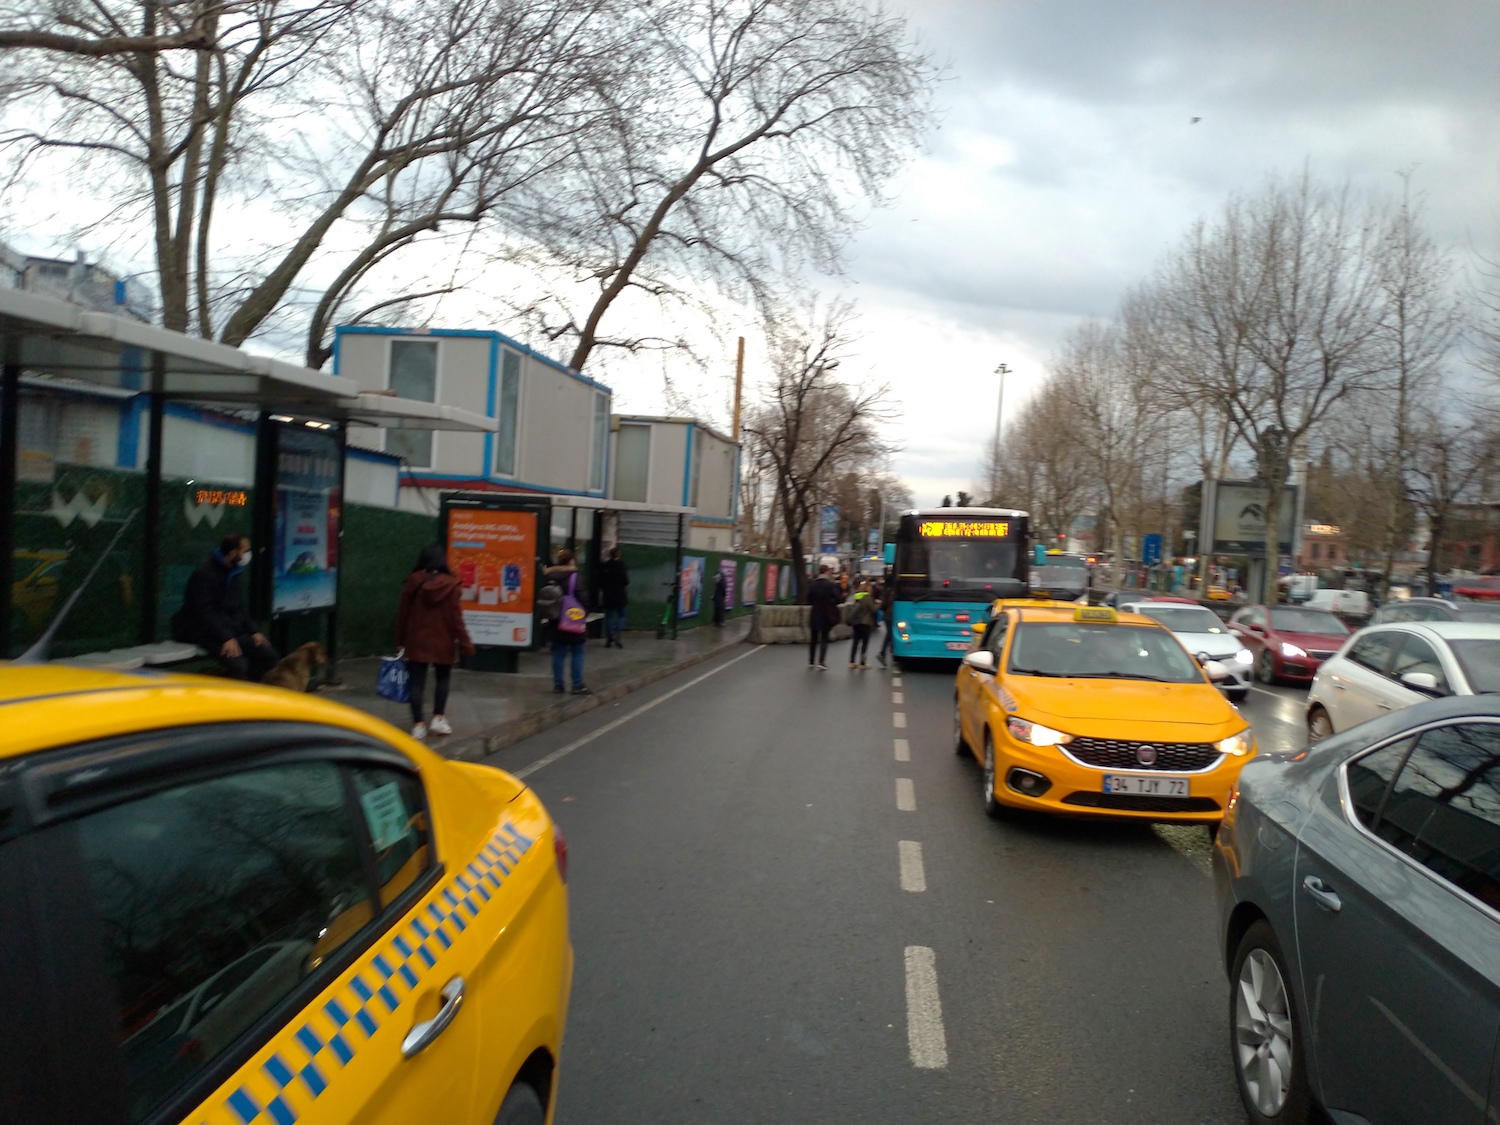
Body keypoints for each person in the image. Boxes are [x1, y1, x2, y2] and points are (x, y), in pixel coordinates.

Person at [172, 534, 279, 680]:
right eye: (245, 551)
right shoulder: (204, 573)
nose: (248, 555)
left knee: (268, 655)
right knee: (238, 665)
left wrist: (254, 631)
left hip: (229, 630)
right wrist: (226, 637)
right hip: (203, 631)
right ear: (233, 553)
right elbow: (203, 612)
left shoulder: (235, 572)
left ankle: (254, 694)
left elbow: (239, 607)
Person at [396, 544, 475, 739]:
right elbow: (457, 618)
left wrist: (400, 640)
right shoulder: (452, 584)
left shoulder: (414, 581)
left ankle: (418, 725)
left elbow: (403, 614)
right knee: (442, 679)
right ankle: (438, 718)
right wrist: (466, 643)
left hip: (417, 640)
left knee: (416, 683)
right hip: (444, 640)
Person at [547, 548, 590, 694]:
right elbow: (582, 597)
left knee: (559, 652)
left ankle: (558, 684)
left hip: (556, 620)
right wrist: (584, 613)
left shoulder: (551, 577)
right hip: (573, 619)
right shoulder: (574, 577)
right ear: (571, 561)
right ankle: (577, 684)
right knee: (578, 651)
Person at [807, 563, 842, 670]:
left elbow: (808, 599)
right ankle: (821, 661)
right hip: (826, 614)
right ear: (827, 572)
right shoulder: (830, 585)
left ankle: (811, 661)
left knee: (813, 638)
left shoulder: (813, 584)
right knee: (824, 638)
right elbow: (838, 598)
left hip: (815, 613)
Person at [599, 546, 629, 647]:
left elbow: (601, 581)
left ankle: (609, 638)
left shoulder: (605, 566)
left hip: (608, 594)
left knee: (609, 617)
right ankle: (617, 633)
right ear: (619, 554)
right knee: (622, 615)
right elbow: (626, 581)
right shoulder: (621, 565)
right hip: (620, 595)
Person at [848, 578, 876, 668]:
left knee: (855, 642)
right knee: (864, 643)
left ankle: (852, 662)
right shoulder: (867, 597)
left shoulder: (856, 596)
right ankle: (862, 662)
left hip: (856, 622)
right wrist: (879, 604)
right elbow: (873, 609)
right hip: (865, 622)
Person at [877, 576, 896, 667]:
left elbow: (882, 604)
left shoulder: (886, 591)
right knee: (890, 633)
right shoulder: (893, 592)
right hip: (891, 614)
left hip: (886, 615)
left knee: (890, 633)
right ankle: (883, 653)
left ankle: (885, 652)